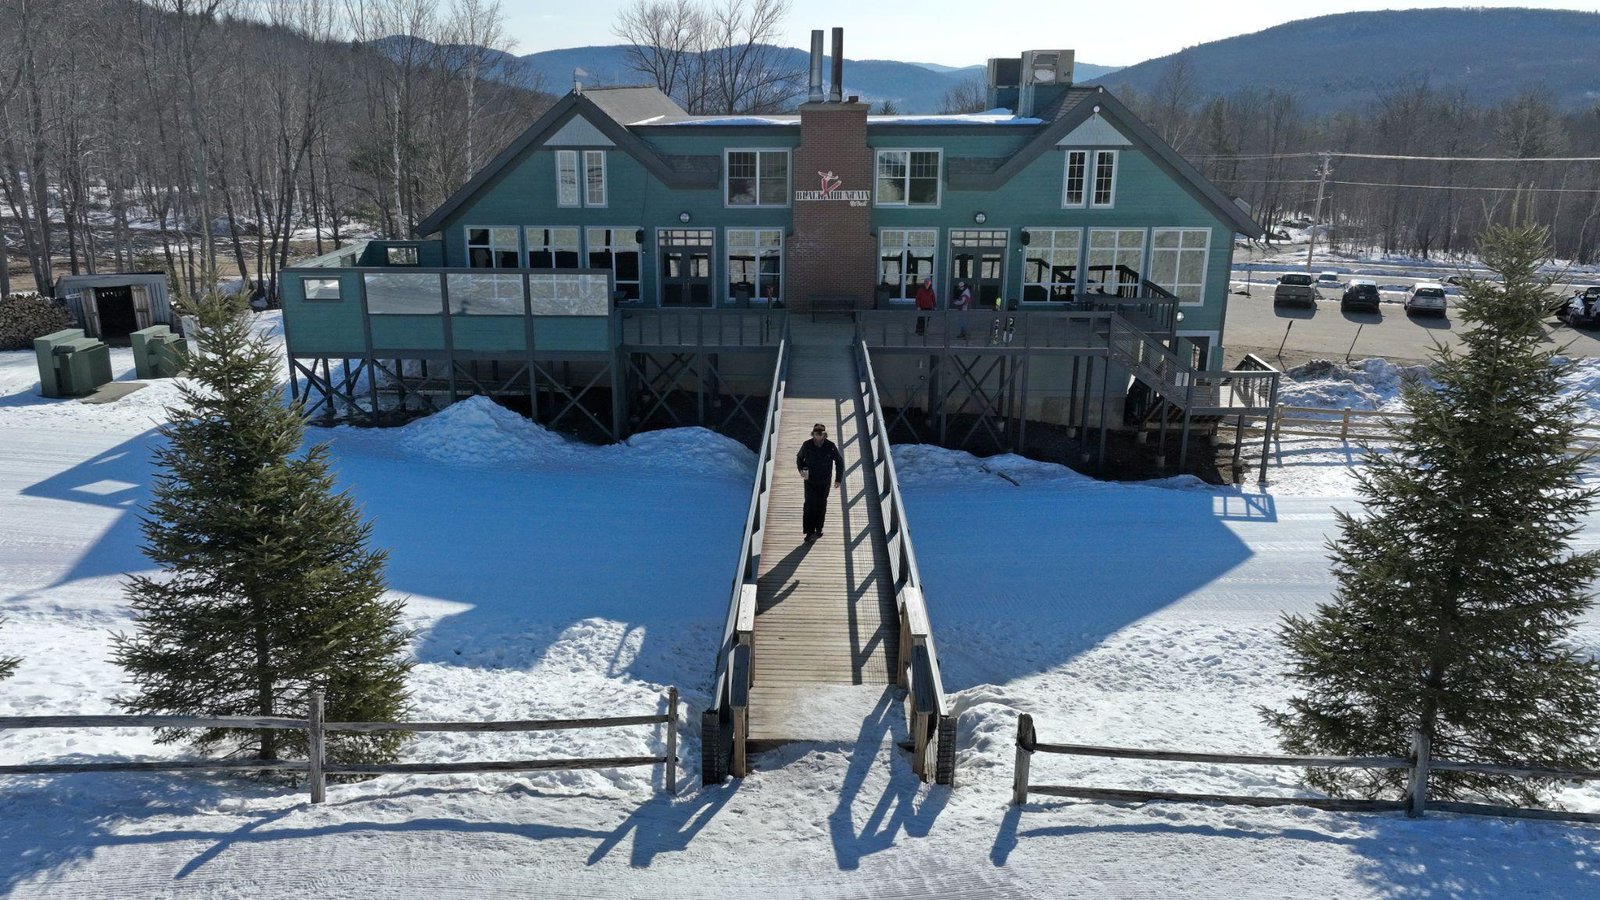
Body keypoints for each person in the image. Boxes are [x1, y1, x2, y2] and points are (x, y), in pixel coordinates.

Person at [795, 422, 844, 543]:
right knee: (809, 506)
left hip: (824, 481)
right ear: (813, 434)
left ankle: (819, 528)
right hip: (810, 481)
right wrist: (801, 470)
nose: (818, 435)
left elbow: (839, 461)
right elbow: (799, 458)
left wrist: (838, 479)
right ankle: (809, 532)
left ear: (824, 434)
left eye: (820, 433)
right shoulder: (806, 445)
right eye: (816, 433)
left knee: (821, 505)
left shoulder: (830, 446)